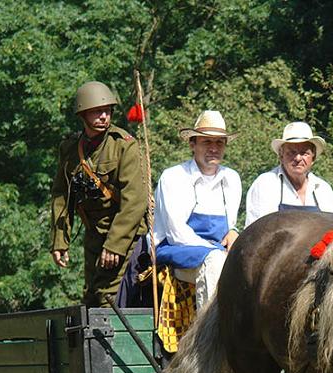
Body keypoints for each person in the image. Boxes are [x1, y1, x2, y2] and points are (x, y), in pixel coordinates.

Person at [49, 81, 147, 307]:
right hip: (94, 235)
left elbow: (134, 202)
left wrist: (115, 245)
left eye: (107, 111)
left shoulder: (123, 146)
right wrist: (59, 241)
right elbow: (62, 196)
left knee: (108, 298)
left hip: (125, 236)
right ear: (83, 114)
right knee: (91, 297)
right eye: (97, 111)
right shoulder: (70, 149)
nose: (104, 116)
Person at [151, 110, 241, 309]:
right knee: (216, 263)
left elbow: (229, 227)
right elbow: (176, 234)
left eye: (219, 142)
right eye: (207, 142)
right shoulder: (174, 177)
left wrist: (234, 232)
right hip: (174, 250)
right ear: (192, 144)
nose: (213, 148)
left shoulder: (232, 178)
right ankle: (209, 334)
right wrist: (217, 251)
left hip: (216, 252)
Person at [244, 121, 333, 228]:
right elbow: (257, 233)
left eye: (304, 153)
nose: (298, 158)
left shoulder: (323, 189)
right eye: (291, 152)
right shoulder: (266, 184)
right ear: (281, 155)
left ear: (313, 157)